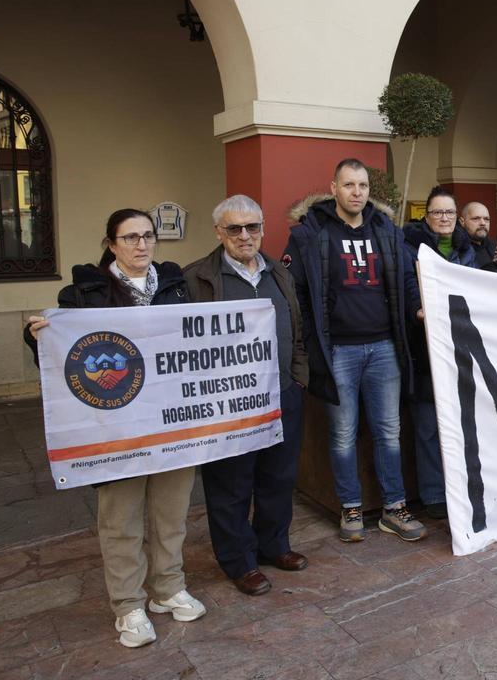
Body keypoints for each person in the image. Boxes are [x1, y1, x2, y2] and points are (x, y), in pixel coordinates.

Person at [24, 209, 204, 648]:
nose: (141, 245)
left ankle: (167, 587)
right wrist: (38, 336)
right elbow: (67, 355)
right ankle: (128, 605)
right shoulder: (83, 294)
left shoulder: (177, 288)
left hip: (172, 423)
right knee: (121, 519)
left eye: (147, 236)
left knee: (171, 512)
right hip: (114, 426)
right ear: (111, 244)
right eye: (130, 238)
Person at [283, 158, 426, 543]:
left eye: (363, 186)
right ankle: (350, 507)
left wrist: (418, 308)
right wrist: (311, 344)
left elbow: (409, 278)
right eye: (349, 185)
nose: (357, 192)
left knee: (389, 432)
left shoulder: (387, 232)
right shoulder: (310, 234)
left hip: (384, 347)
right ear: (333, 188)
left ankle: (394, 508)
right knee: (343, 434)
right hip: (338, 353)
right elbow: (295, 295)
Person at [183, 195, 309, 597]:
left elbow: (297, 326)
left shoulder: (278, 272)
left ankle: (274, 545)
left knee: (278, 478)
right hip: (229, 403)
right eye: (234, 228)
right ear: (219, 232)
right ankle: (239, 561)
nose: (244, 235)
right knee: (231, 484)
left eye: (252, 227)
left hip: (281, 394)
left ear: (262, 229)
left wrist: (298, 377)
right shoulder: (196, 279)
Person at [403, 186, 477, 519]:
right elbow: (407, 283)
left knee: (462, 423)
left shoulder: (466, 249)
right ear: (426, 216)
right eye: (437, 212)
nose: (444, 218)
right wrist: (419, 308)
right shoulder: (409, 247)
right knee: (428, 425)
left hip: (459, 346)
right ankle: (433, 496)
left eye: (449, 212)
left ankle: (460, 490)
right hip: (424, 346)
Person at [459, 201, 496, 268]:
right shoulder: (456, 249)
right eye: (476, 218)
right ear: (462, 221)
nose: (483, 223)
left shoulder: (496, 247)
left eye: (486, 219)